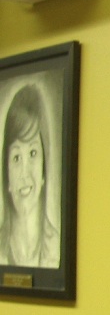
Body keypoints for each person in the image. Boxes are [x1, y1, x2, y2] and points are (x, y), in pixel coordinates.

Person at [0, 84, 59, 268]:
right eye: (16, 157)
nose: (24, 174)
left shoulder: (56, 249)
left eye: (33, 153)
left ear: (44, 168)